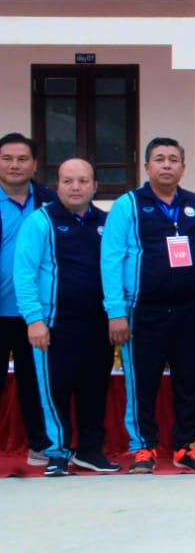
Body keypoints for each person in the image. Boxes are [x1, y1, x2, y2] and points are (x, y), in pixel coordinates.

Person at [102, 137, 195, 473]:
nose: (166, 165)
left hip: (192, 310)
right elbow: (110, 260)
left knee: (190, 380)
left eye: (173, 159)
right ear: (147, 166)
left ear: (183, 167)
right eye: (159, 159)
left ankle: (188, 446)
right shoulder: (127, 205)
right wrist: (115, 312)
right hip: (142, 311)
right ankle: (143, 447)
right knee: (142, 382)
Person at [13, 159, 118, 476]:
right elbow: (24, 273)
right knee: (54, 391)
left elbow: (117, 268)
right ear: (56, 185)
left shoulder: (106, 222)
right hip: (54, 325)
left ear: (95, 186)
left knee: (94, 390)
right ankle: (57, 452)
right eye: (68, 181)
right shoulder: (40, 222)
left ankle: (90, 451)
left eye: (83, 181)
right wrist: (34, 320)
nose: (75, 187)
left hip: (98, 325)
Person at [0, 132, 55, 466]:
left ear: (34, 164)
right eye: (7, 158)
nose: (14, 165)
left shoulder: (50, 201)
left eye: (22, 159)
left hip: (35, 314)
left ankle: (40, 444)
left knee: (35, 382)